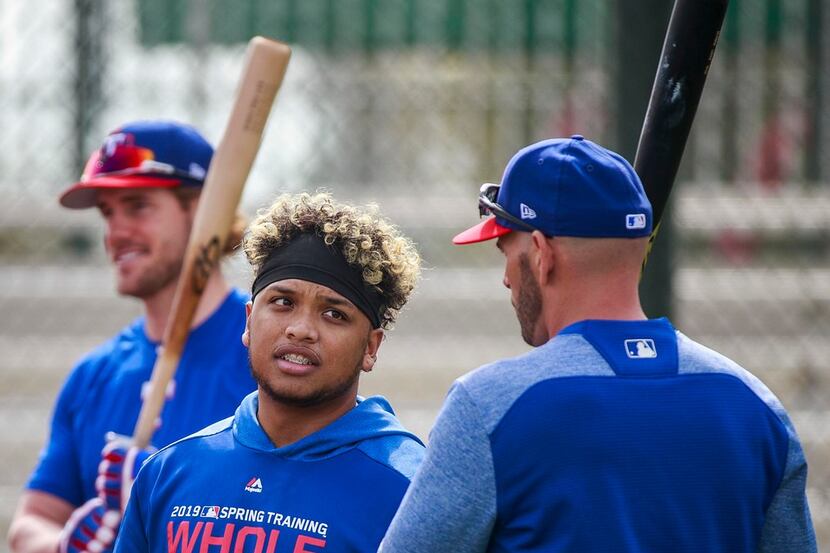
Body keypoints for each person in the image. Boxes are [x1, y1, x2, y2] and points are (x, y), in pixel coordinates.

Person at [381, 135, 817, 552]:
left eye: (507, 253)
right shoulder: (758, 409)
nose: (506, 277)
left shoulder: (490, 408)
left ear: (541, 253)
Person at [113, 192, 425, 553]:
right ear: (248, 321)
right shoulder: (168, 472)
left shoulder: (408, 488)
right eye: (283, 302)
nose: (301, 329)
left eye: (334, 314)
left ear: (371, 347)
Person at [8, 121, 256, 553]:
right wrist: (68, 545)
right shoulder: (95, 374)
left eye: (137, 206)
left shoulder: (267, 351)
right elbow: (31, 522)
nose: (116, 232)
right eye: (107, 213)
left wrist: (170, 503)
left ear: (203, 212)